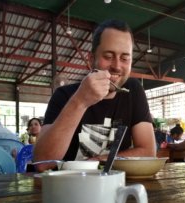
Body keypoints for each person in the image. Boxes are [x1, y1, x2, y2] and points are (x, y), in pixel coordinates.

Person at [34, 19, 156, 171]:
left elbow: (148, 151)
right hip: (70, 188)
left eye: (125, 58)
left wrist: (99, 160)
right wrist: (80, 101)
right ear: (91, 59)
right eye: (108, 56)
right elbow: (43, 162)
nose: (117, 66)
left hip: (117, 187)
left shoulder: (133, 90)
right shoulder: (64, 95)